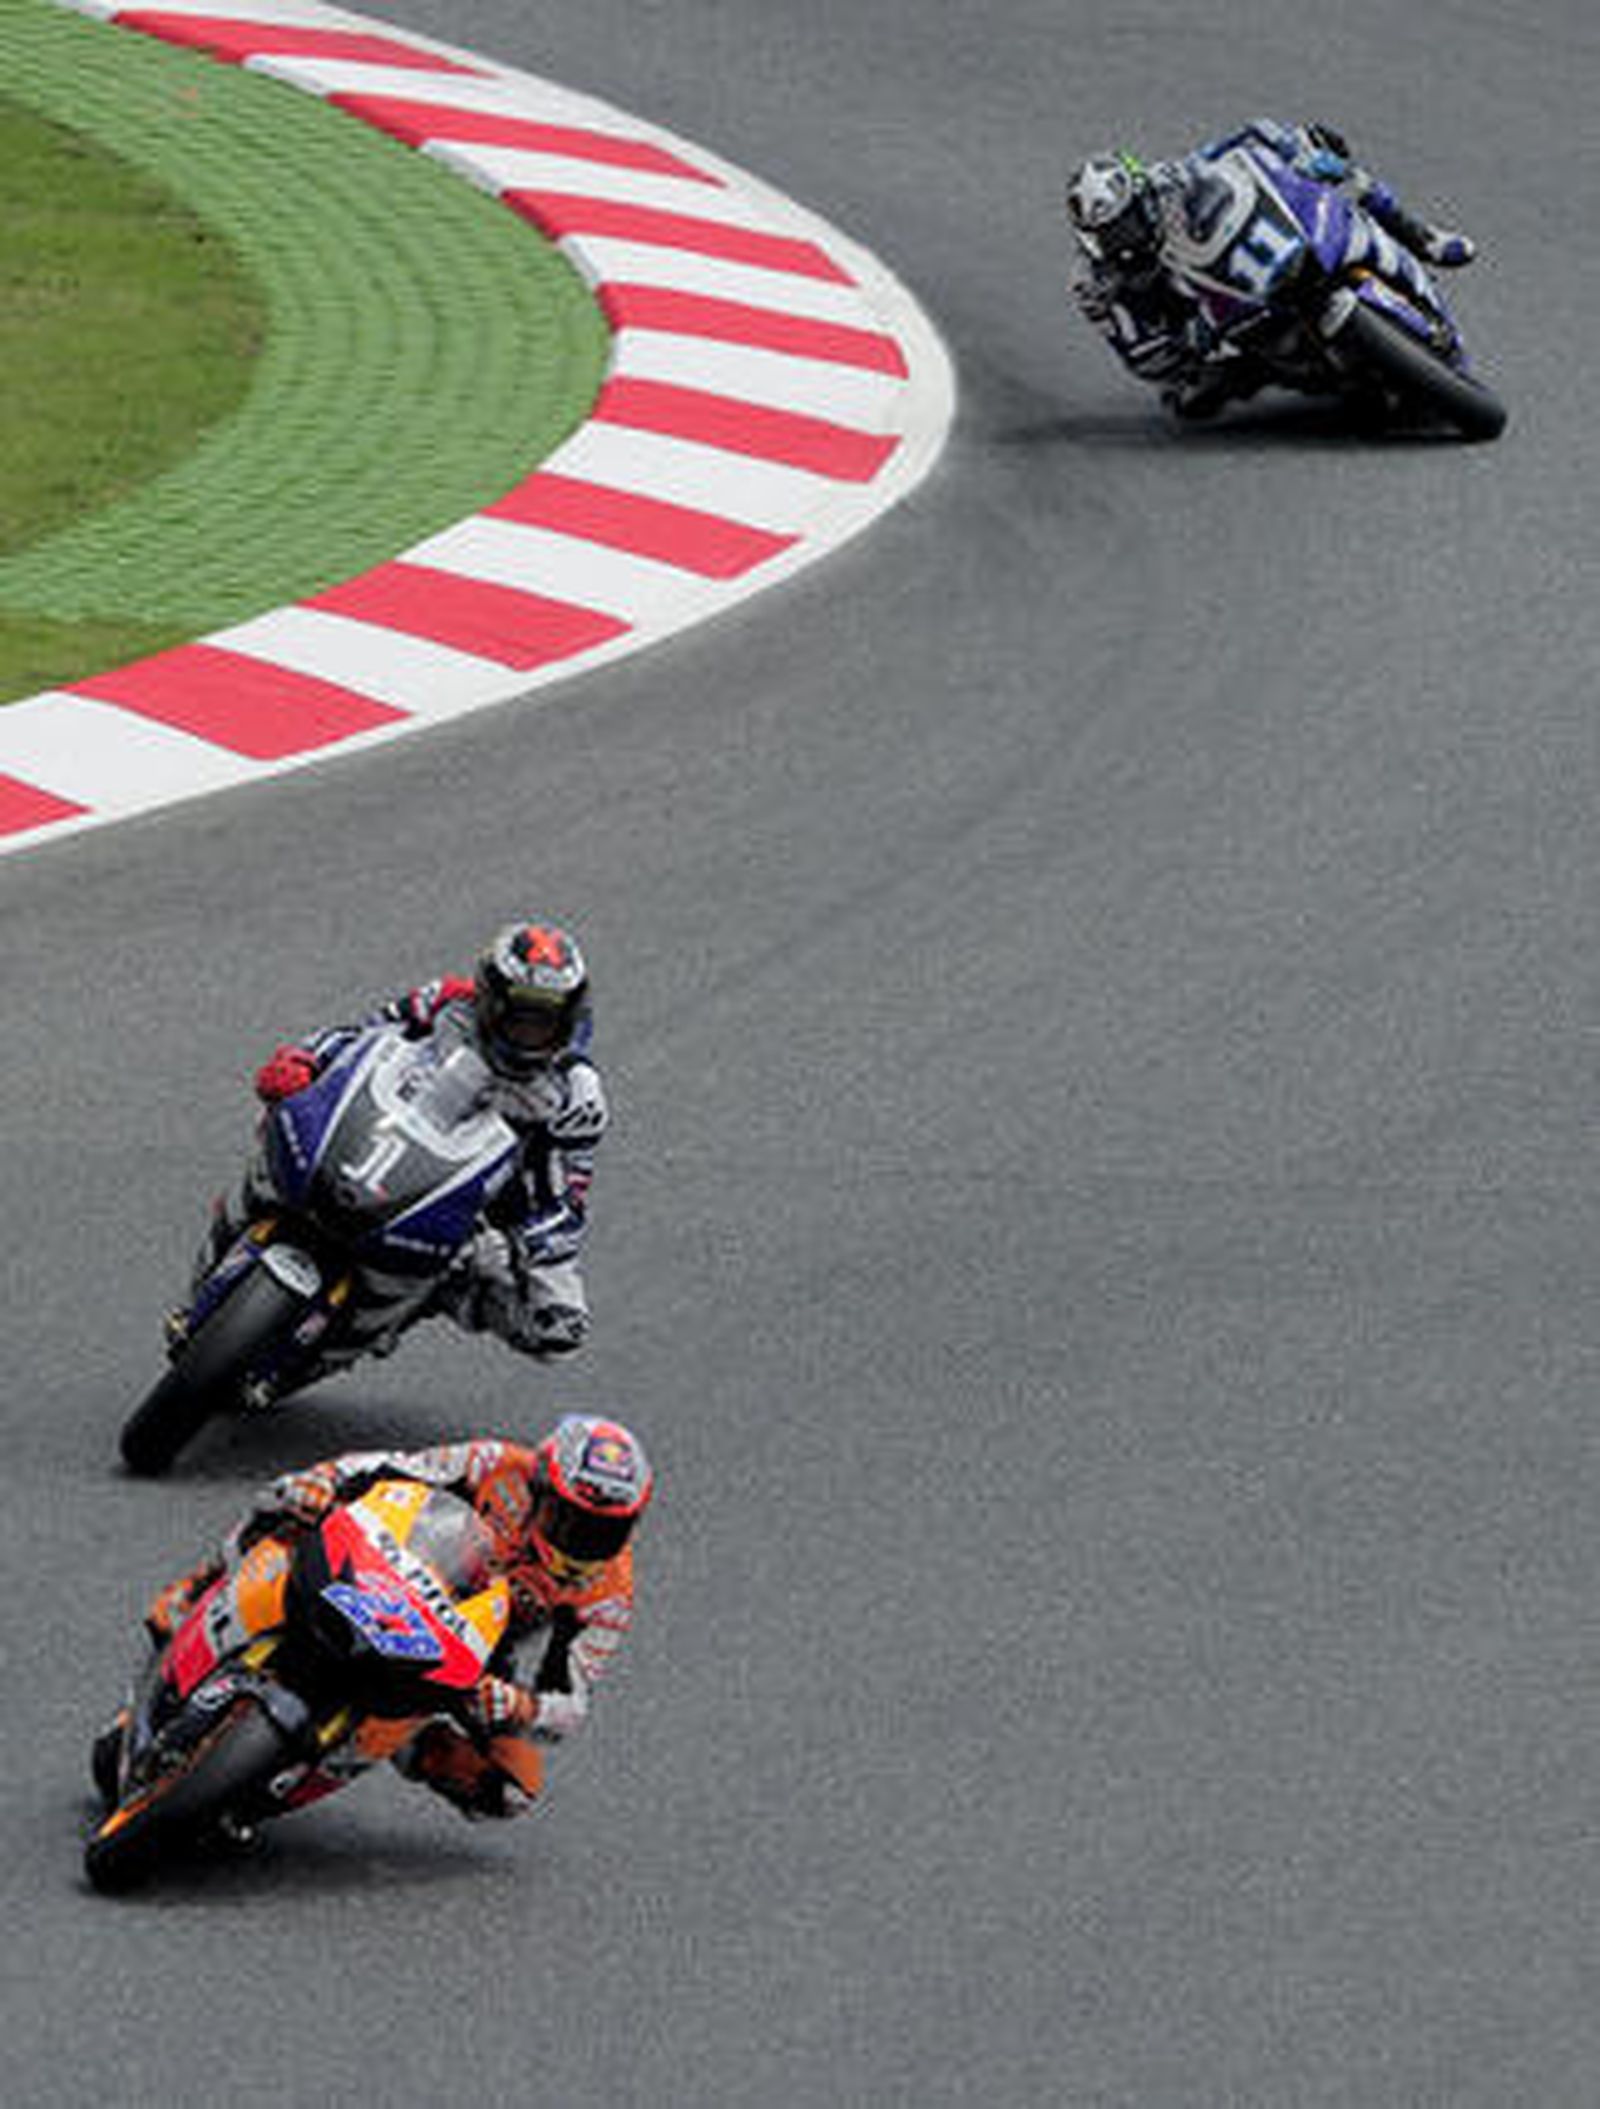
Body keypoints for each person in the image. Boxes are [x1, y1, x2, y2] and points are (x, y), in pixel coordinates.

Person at [128, 1415, 654, 1821]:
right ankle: (205, 1581)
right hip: (403, 1565)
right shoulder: (493, 1463)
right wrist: (325, 1482)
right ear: (541, 1488)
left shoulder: (610, 1594)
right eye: (570, 1519)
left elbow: (572, 1704)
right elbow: (390, 1466)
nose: (581, 1542)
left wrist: (517, 1703)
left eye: (602, 1532)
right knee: (291, 1499)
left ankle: (405, 1742)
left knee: (512, 1788)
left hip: (474, 1650)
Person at [182, 920, 606, 1369]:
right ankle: (237, 1228)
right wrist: (305, 1058)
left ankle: (422, 1300)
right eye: (520, 1016)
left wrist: (515, 1242)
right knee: (280, 1122)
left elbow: (567, 1203)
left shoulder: (576, 1096)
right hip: (394, 1128)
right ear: (491, 1001)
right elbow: (359, 1039)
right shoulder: (445, 1002)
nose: (530, 1032)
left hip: (483, 1204)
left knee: (558, 1331)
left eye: (544, 1022)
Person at [1066, 121, 1477, 419]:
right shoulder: (1099, 280)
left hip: (1253, 256)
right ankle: (1316, 375)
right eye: (1109, 236)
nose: (1123, 241)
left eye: (1126, 226)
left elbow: (1243, 142)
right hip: (1214, 319)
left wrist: (1295, 146)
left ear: (1142, 197)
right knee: (1198, 399)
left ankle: (1423, 238)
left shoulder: (1169, 182)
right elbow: (1142, 357)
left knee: (1332, 166)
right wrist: (1186, 345)